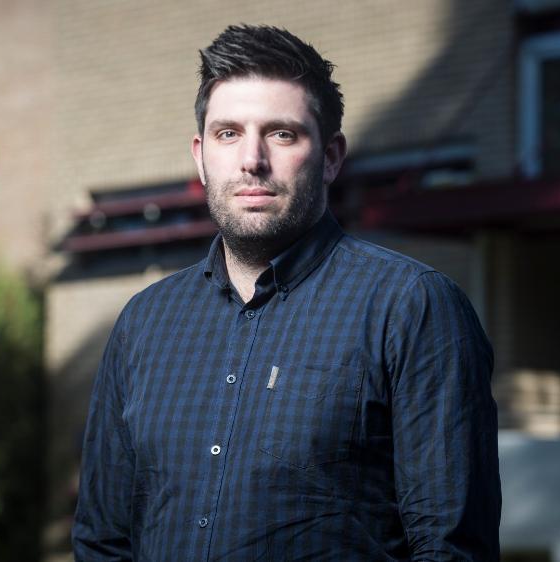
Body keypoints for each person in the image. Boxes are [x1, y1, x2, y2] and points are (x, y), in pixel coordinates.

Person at [72, 24, 501, 561]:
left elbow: (451, 548)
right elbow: (102, 540)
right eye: (229, 134)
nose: (252, 159)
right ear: (201, 155)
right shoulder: (144, 322)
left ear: (330, 157)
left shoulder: (412, 307)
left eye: (282, 134)